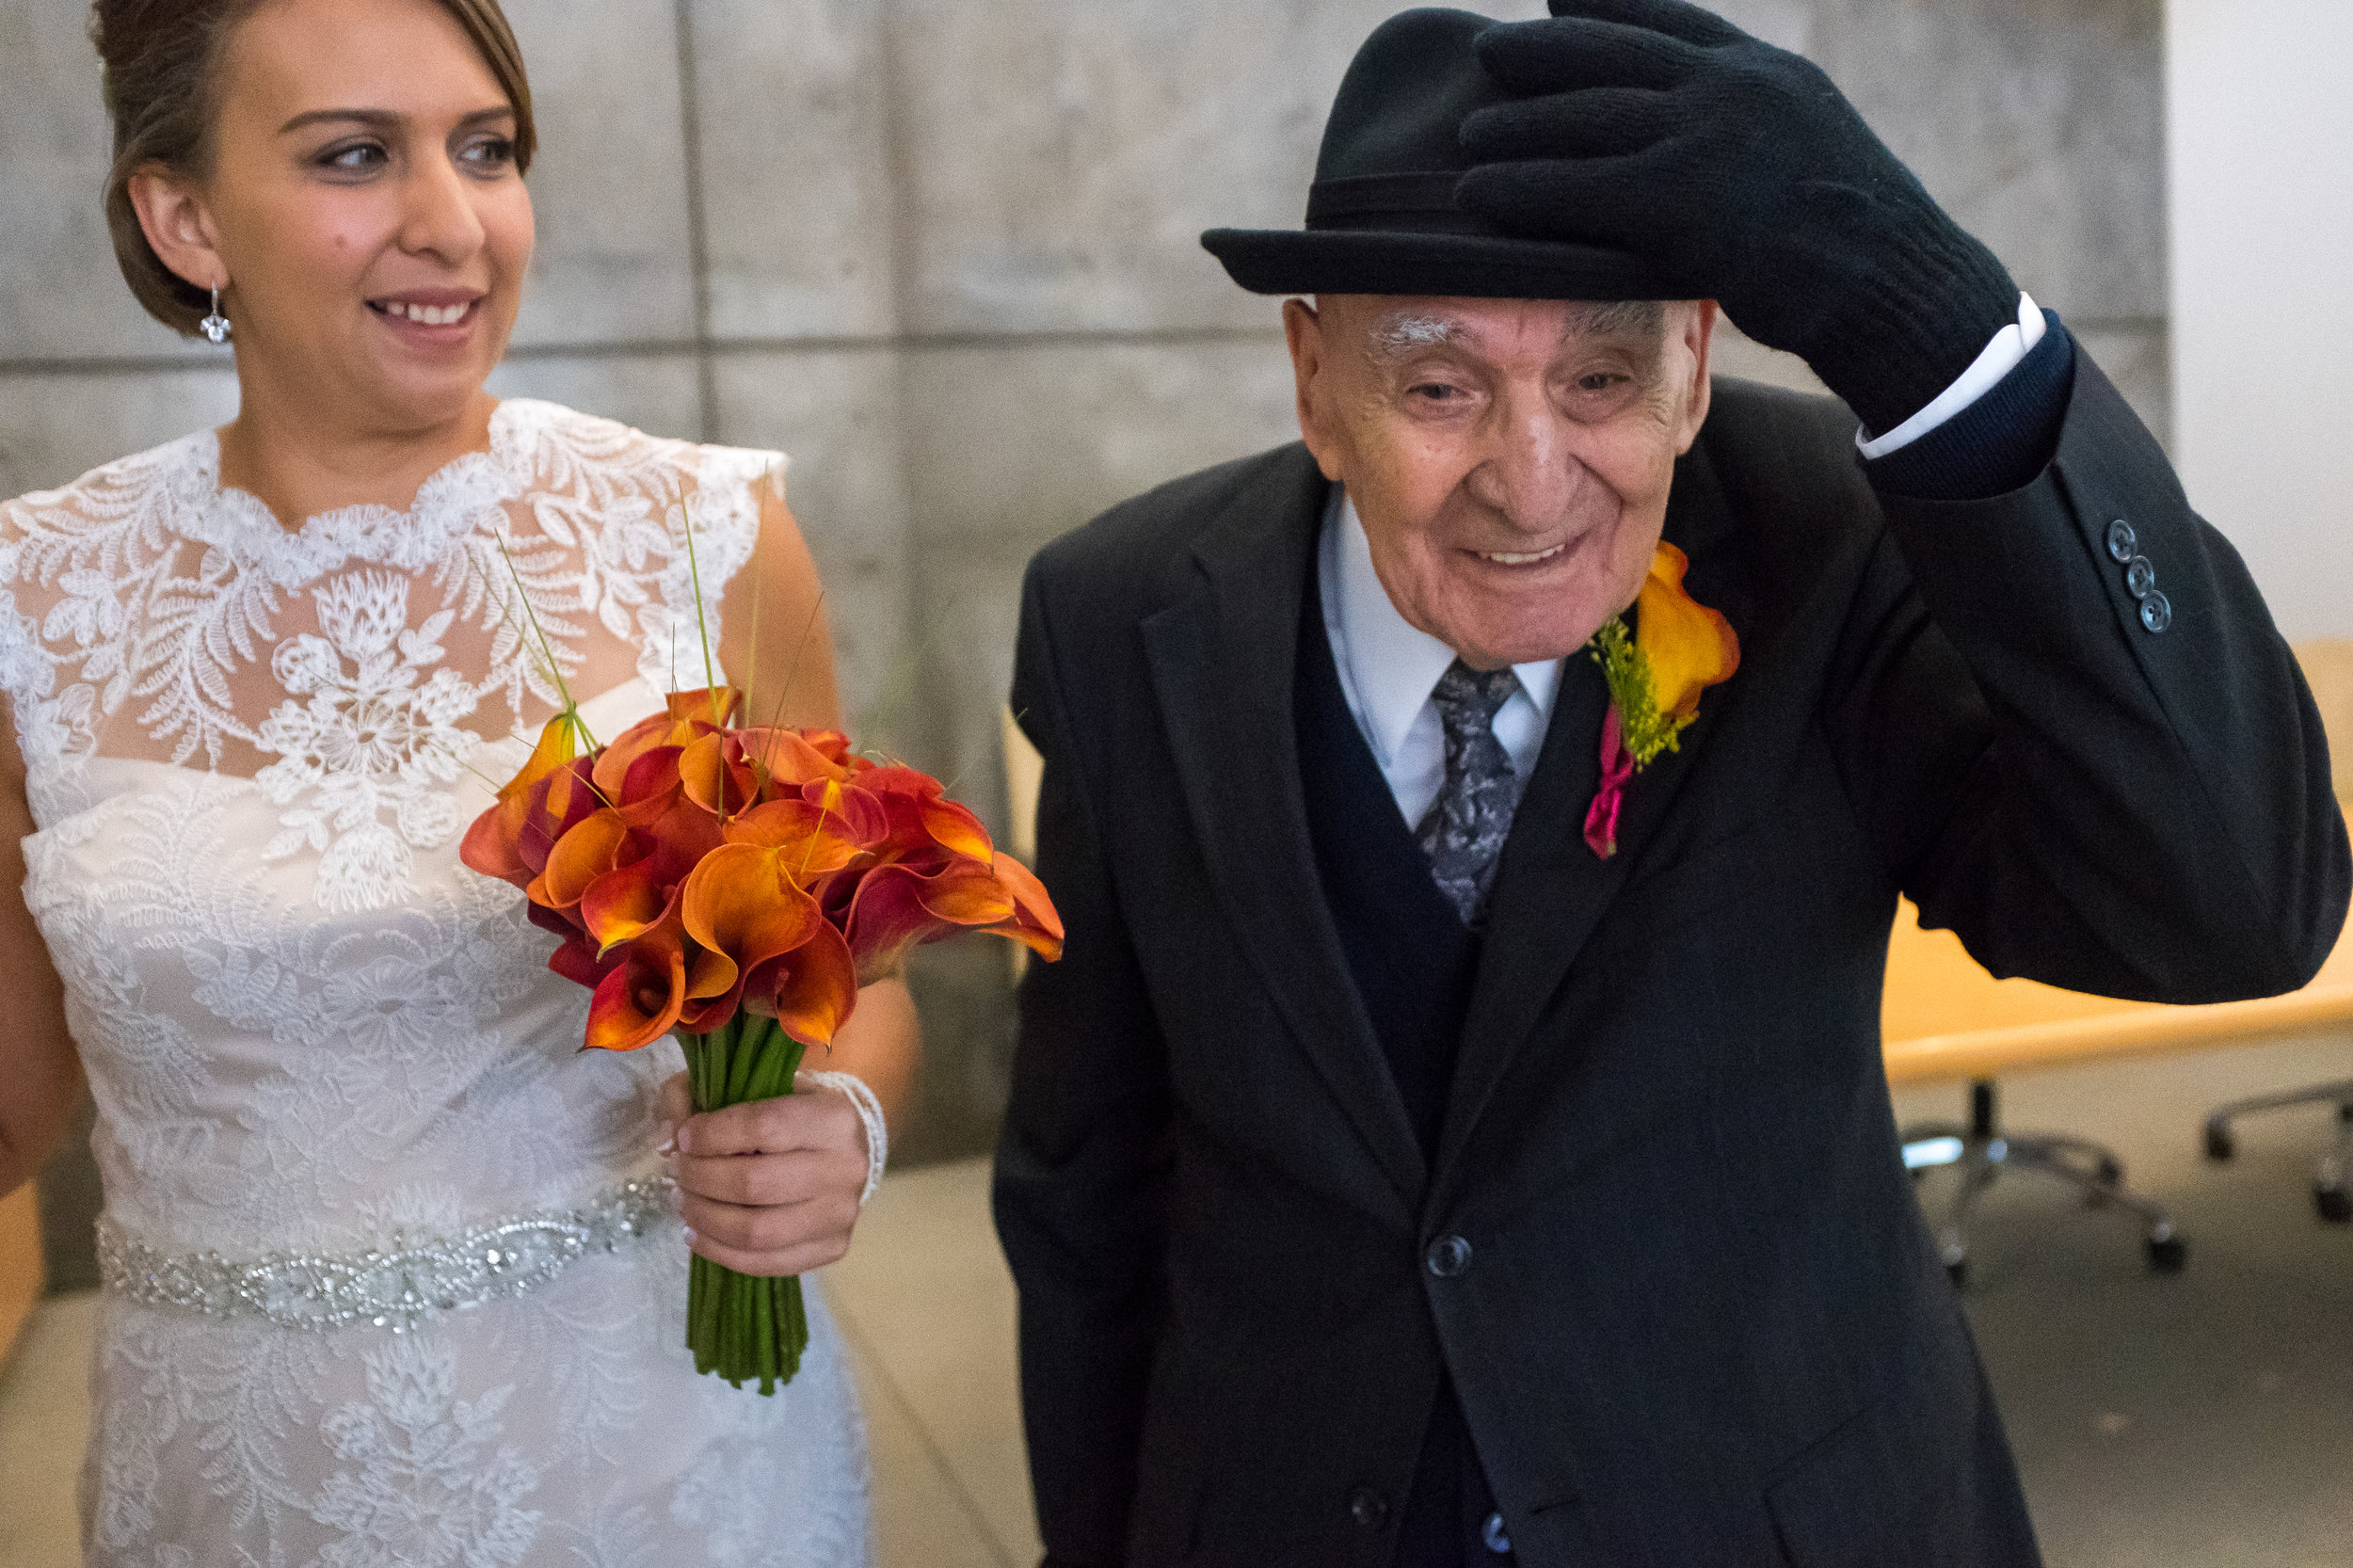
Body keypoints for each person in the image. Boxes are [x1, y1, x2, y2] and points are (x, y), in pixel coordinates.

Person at [994, 4, 2350, 1565]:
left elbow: (2237, 906)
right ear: (1315, 376)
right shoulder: (1117, 615)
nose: (1534, 476)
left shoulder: (1828, 548)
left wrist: (1931, 322)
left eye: (1602, 379)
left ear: (1695, 366)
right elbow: (1086, 1188)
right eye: (1438, 388)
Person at [0, 0, 904, 1560]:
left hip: (662, 1459)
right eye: (357, 155)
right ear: (185, 216)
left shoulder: (701, 540)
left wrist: (843, 1120)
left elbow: (856, 983)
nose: (453, 224)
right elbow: (12, 1109)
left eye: (485, 152)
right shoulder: (34, 605)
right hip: (234, 1478)